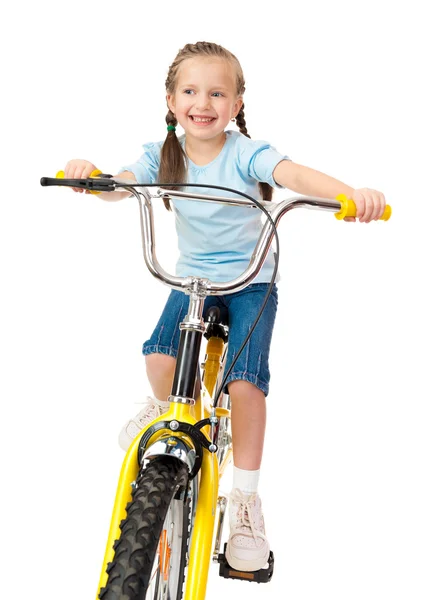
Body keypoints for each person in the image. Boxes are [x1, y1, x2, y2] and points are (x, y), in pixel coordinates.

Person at [64, 41, 386, 572]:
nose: (203, 102)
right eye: (190, 91)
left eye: (217, 92)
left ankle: (246, 502)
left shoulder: (247, 153)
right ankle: (166, 406)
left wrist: (349, 195)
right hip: (193, 280)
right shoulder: (162, 154)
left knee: (244, 383)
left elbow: (296, 176)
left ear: (236, 104)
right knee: (159, 358)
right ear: (171, 101)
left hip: (249, 281)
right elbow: (122, 185)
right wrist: (92, 177)